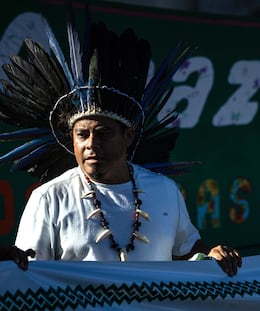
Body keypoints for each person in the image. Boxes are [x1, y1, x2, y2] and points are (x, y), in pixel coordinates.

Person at [0, 11, 242, 277]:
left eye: (103, 133)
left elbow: (188, 251)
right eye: (82, 135)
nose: (91, 144)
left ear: (128, 136)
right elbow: (29, 276)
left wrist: (212, 254)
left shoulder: (165, 190)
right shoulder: (49, 198)